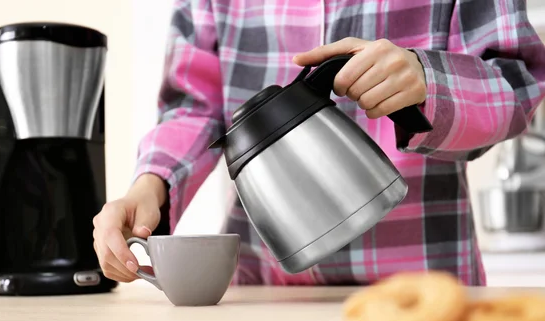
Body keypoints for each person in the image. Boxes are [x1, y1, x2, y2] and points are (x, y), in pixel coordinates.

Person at [93, 0, 545, 286]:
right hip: (264, 300)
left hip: (424, 293)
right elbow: (193, 108)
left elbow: (519, 89)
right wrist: (150, 187)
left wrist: (429, 81)